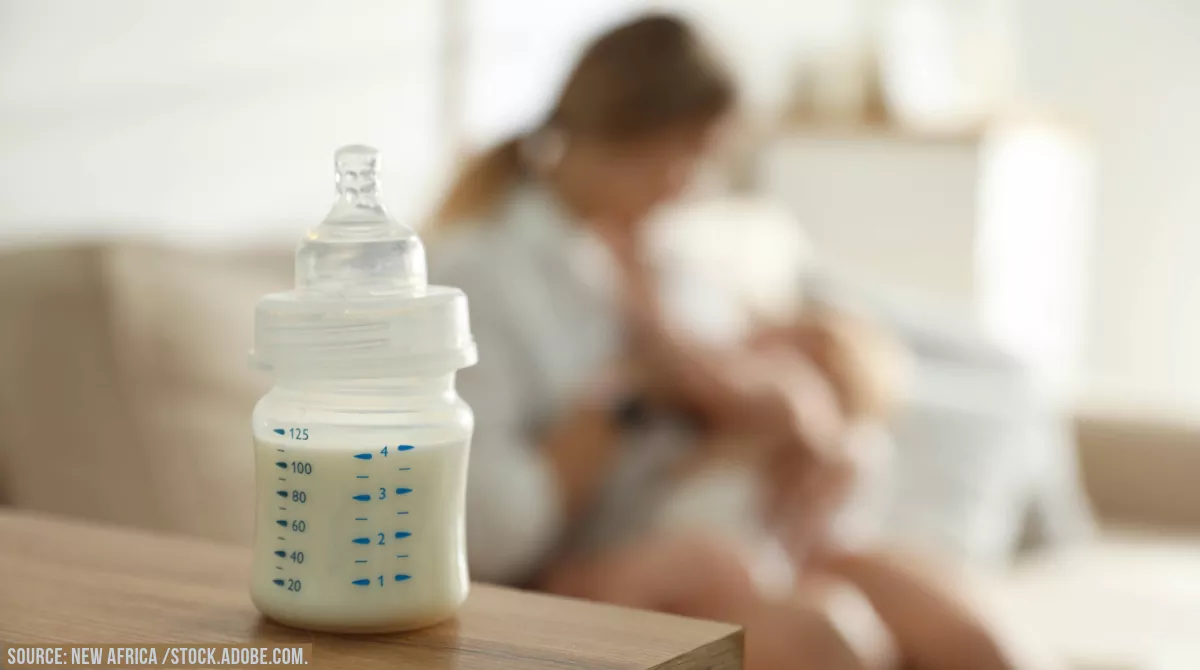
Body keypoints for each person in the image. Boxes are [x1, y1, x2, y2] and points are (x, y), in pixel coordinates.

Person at [428, 14, 1044, 670]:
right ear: (635, 133)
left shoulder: (672, 257)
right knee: (827, 640)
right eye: (692, 154)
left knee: (976, 642)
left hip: (749, 533)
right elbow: (490, 531)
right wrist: (630, 396)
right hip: (606, 562)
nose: (696, 183)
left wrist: (822, 437)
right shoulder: (479, 278)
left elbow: (749, 376)